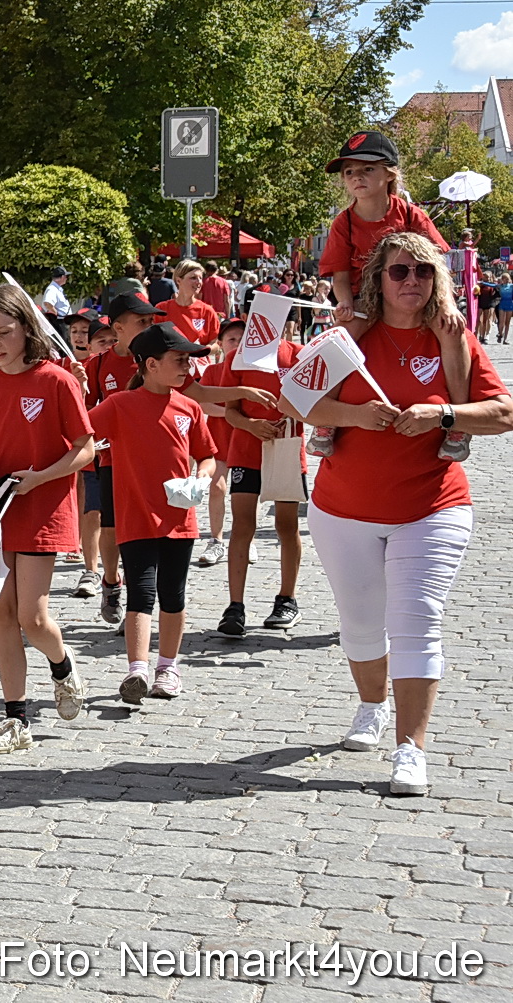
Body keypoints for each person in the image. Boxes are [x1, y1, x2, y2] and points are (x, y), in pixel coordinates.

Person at [292, 232, 512, 796]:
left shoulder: (453, 338)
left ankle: (411, 749)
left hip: (432, 506)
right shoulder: (348, 338)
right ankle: (371, 707)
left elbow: (503, 411)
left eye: (421, 270)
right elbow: (298, 399)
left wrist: (442, 413)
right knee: (362, 625)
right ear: (378, 280)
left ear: (437, 277)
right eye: (398, 271)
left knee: (416, 622)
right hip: (343, 509)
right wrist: (355, 415)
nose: (410, 280)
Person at [0, 284, 94, 755]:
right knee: (3, 614)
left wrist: (40, 478)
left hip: (41, 509)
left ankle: (62, 663)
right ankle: (16, 720)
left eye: (5, 332)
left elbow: (85, 448)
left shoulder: (56, 381)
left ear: (27, 329)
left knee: (33, 617)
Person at [317, 131, 469, 461]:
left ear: (390, 174)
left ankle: (458, 422)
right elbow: (340, 275)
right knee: (342, 339)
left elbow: (436, 262)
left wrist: (447, 305)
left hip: (412, 295)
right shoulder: (343, 222)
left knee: (453, 332)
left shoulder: (412, 215)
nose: (357, 176)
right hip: (366, 300)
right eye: (349, 171)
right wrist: (343, 302)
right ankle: (326, 420)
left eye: (367, 168)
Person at [88, 324, 216, 704]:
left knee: (172, 595)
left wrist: (201, 477)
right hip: (136, 516)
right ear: (150, 364)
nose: (187, 368)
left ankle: (168, 667)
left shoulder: (189, 407)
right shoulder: (118, 406)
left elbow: (207, 455)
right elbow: (80, 431)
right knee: (140, 594)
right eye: (179, 360)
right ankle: (137, 671)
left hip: (180, 517)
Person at [202, 310, 305, 637]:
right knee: (242, 523)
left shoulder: (299, 355)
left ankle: (287, 599)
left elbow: (317, 401)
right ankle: (235, 606)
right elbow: (229, 412)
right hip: (247, 449)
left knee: (286, 525)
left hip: (288, 446)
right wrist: (251, 425)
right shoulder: (237, 358)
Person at [83, 293, 161, 624]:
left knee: (144, 532)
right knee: (112, 528)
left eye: (150, 321)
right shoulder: (97, 364)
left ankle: (137, 599)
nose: (148, 327)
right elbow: (81, 413)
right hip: (111, 461)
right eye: (141, 321)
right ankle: (111, 581)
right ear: (118, 327)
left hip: (148, 461)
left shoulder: (155, 360)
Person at [195, 319, 246, 567]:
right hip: (220, 439)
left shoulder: (253, 371)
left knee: (246, 493)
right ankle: (216, 540)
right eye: (231, 340)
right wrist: (231, 412)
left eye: (241, 339)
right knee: (217, 487)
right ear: (221, 344)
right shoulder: (212, 372)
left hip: (246, 439)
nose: (236, 344)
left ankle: (247, 538)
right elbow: (201, 403)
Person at [157, 259, 221, 348]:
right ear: (179, 280)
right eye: (193, 278)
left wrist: (203, 350)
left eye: (200, 278)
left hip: (200, 361)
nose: (199, 282)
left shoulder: (207, 311)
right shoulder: (162, 309)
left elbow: (216, 343)